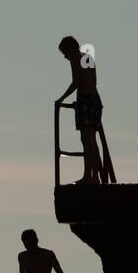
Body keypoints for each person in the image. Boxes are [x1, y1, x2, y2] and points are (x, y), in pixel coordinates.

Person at [56, 35, 104, 184]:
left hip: (86, 101)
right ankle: (94, 176)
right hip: (95, 100)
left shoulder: (76, 58)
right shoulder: (88, 57)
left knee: (86, 140)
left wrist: (61, 98)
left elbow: (76, 81)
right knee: (91, 140)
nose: (65, 57)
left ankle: (88, 177)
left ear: (71, 48)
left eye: (65, 53)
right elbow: (93, 81)